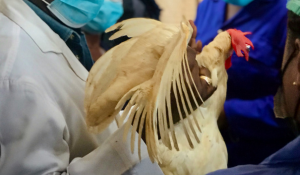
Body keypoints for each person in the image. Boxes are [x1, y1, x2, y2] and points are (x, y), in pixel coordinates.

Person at [0, 0, 213, 174]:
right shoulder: (16, 71)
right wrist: (151, 123)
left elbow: (90, 127)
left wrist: (158, 91)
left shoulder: (55, 29)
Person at [194, 0, 296, 167]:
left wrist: (227, 114)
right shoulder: (209, 6)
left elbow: (291, 103)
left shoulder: (287, 13)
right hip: (202, 150)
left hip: (259, 157)